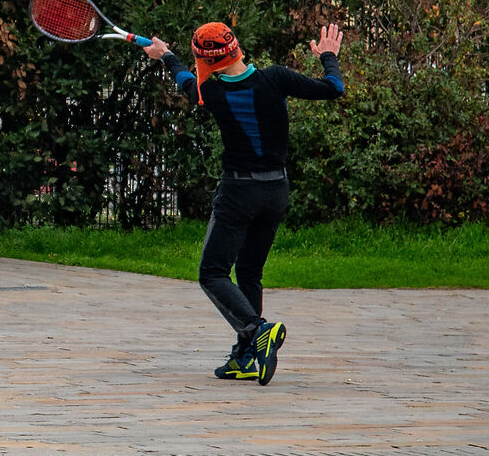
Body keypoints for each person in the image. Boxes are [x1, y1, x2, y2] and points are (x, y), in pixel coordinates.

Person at [142, 20, 345, 385]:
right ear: (237, 49)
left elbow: (188, 82)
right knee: (249, 272)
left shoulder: (212, 94)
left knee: (212, 273)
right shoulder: (276, 78)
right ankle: (246, 358)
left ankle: (256, 330)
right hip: (276, 192)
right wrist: (329, 57)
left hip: (238, 193)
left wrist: (166, 56)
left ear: (208, 63)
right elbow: (334, 88)